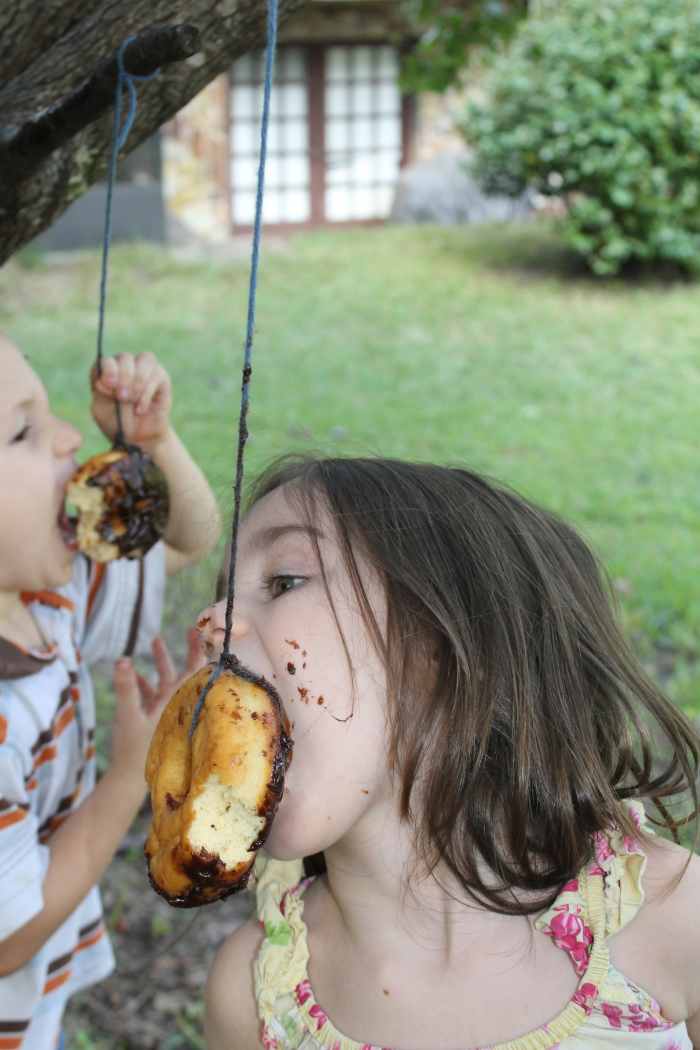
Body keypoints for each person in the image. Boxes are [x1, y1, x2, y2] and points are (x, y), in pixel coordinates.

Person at [200, 455, 700, 1050]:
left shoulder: (673, 920)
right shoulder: (255, 998)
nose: (212, 623)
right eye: (223, 596)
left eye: (283, 581)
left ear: (444, 642)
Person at [0, 333, 221, 1049]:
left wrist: (153, 444)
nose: (68, 436)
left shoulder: (42, 597)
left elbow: (187, 539)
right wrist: (129, 777)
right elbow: (7, 940)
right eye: (23, 431)